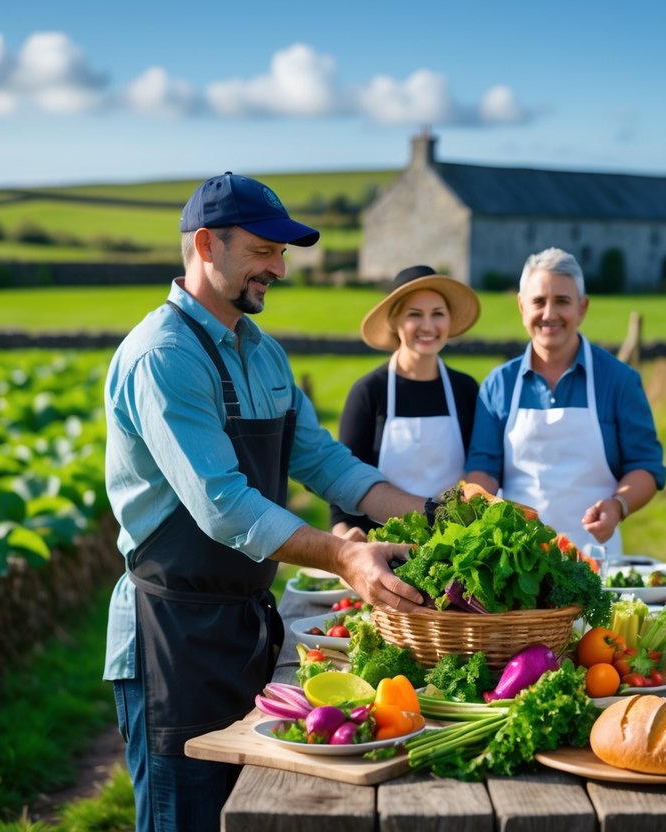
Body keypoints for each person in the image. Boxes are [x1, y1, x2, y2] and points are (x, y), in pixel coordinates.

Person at [102, 172, 427, 832]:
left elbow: (324, 462)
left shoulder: (264, 355)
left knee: (247, 816)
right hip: (174, 640)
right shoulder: (163, 356)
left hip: (245, 626)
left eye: (282, 253)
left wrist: (436, 515)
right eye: (262, 251)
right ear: (204, 245)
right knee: (182, 819)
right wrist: (345, 557)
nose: (279, 267)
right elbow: (224, 505)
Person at [464, 247, 666, 556]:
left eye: (562, 301)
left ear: (582, 308)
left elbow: (645, 466)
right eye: (538, 302)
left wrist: (618, 505)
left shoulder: (618, 381)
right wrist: (480, 506)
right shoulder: (498, 385)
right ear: (521, 307)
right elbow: (483, 468)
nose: (549, 314)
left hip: (596, 556)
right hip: (517, 558)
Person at [331, 265, 481, 535]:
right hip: (383, 548)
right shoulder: (369, 392)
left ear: (449, 321)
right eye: (415, 315)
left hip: (456, 545)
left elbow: (481, 470)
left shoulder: (465, 390)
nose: (428, 326)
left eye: (438, 314)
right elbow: (343, 488)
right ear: (395, 321)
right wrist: (347, 542)